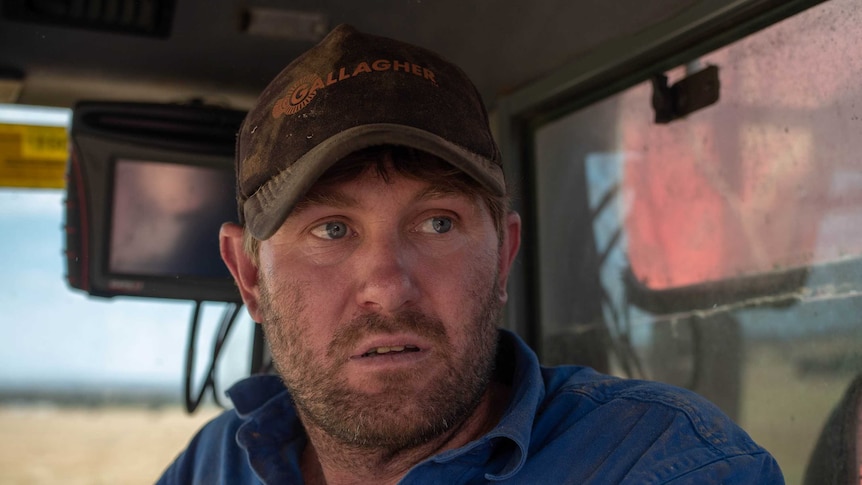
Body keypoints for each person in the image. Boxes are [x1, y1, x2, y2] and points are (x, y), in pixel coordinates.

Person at [158, 24, 784, 484]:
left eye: (437, 223)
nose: (389, 285)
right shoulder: (213, 466)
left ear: (504, 255)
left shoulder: (664, 465)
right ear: (249, 276)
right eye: (331, 230)